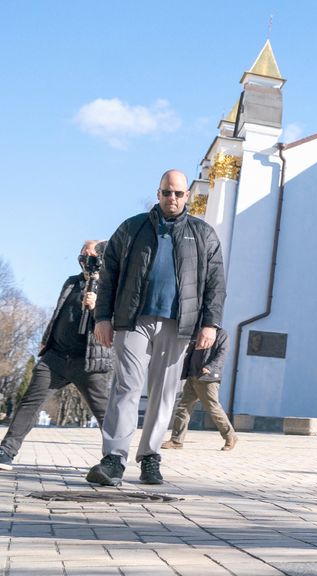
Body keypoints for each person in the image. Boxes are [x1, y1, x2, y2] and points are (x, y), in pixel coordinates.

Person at [86, 169, 226, 487]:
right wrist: (102, 318)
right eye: (166, 192)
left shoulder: (203, 234)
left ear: (187, 195)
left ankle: (150, 458)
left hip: (179, 324)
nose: (172, 198)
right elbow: (109, 275)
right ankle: (114, 460)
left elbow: (215, 285)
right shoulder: (132, 229)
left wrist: (211, 323)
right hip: (133, 320)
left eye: (178, 193)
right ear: (158, 193)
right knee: (126, 387)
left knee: (164, 393)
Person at [0, 241, 113, 470]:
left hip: (90, 361)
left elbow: (116, 323)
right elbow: (58, 312)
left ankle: (114, 459)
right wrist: (46, 338)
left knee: (106, 414)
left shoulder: (112, 287)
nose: (85, 258)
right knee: (30, 402)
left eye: (91, 255)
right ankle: (6, 451)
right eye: (82, 254)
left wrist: (98, 305)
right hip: (57, 357)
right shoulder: (72, 282)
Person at [162, 327, 237, 451]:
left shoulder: (221, 334)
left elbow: (222, 353)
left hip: (208, 377)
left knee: (213, 408)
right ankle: (176, 440)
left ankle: (230, 436)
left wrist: (211, 367)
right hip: (193, 374)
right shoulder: (197, 330)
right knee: (183, 408)